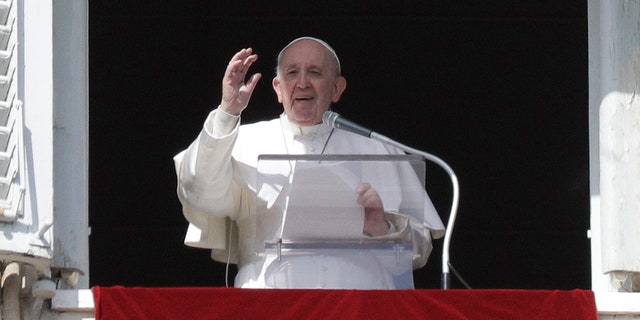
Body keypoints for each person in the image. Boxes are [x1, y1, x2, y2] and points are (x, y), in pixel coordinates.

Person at [173, 37, 445, 289]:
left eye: (315, 72)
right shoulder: (241, 141)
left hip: (358, 304)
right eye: (292, 73)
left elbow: (419, 251)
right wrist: (227, 111)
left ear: (337, 88)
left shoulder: (378, 149)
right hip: (269, 304)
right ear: (278, 88)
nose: (302, 83)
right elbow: (199, 192)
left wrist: (382, 228)